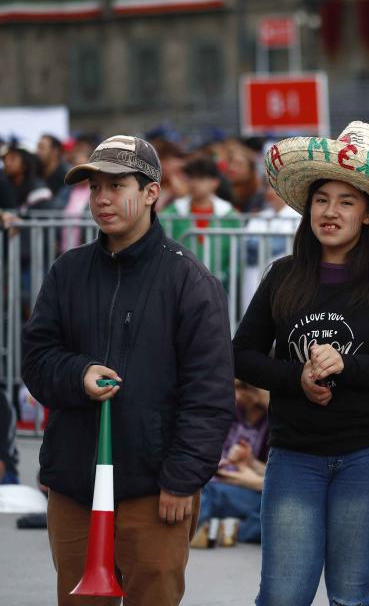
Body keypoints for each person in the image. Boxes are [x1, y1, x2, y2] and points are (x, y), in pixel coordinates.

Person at [20, 134, 236, 604]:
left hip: (155, 489)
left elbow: (211, 393)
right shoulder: (67, 271)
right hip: (74, 483)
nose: (102, 199)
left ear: (152, 192)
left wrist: (182, 478)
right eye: (95, 187)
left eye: (117, 186)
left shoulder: (190, 281)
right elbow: (35, 360)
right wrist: (78, 375)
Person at [233, 123, 369, 605]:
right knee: (282, 596)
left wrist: (346, 366)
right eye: (322, 199)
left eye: (347, 201)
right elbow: (242, 355)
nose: (331, 211)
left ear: (368, 214)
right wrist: (296, 378)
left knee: (350, 595)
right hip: (296, 453)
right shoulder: (283, 276)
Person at [192, 379, 269, 548]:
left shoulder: (272, 424)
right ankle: (222, 528)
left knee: (270, 515)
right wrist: (248, 461)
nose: (237, 396)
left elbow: (280, 480)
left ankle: (218, 530)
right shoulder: (234, 413)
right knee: (207, 491)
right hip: (236, 483)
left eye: (242, 390)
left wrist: (248, 479)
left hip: (258, 490)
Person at [163, 156, 242, 285]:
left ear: (215, 182)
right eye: (192, 178)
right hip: (180, 285)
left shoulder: (230, 215)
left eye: (201, 178)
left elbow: (238, 257)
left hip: (221, 287)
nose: (195, 183)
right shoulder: (172, 212)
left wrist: (225, 279)